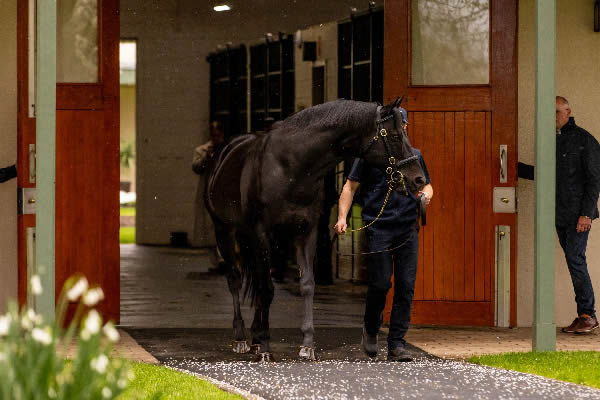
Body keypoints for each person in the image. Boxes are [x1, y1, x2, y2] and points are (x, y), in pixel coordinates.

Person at [334, 140, 433, 361]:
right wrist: (342, 218)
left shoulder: (414, 156)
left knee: (406, 287)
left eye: (402, 126)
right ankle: (370, 327)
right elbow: (350, 186)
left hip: (407, 229)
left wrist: (426, 196)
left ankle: (396, 344)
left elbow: (427, 185)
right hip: (379, 229)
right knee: (380, 284)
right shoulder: (368, 156)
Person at [555, 96, 600, 334]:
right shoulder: (554, 140)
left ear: (568, 111)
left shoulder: (585, 140)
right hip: (560, 215)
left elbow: (595, 181)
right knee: (575, 261)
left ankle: (587, 315)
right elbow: (547, 173)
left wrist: (586, 214)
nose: (553, 117)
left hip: (578, 216)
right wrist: (513, 167)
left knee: (576, 260)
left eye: (556, 112)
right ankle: (584, 314)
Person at [192, 121, 226, 272]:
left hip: (223, 192)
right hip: (208, 192)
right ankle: (217, 261)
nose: (216, 137)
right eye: (213, 135)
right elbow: (196, 167)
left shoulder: (228, 149)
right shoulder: (202, 150)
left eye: (218, 135)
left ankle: (224, 259)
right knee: (210, 228)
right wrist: (207, 156)